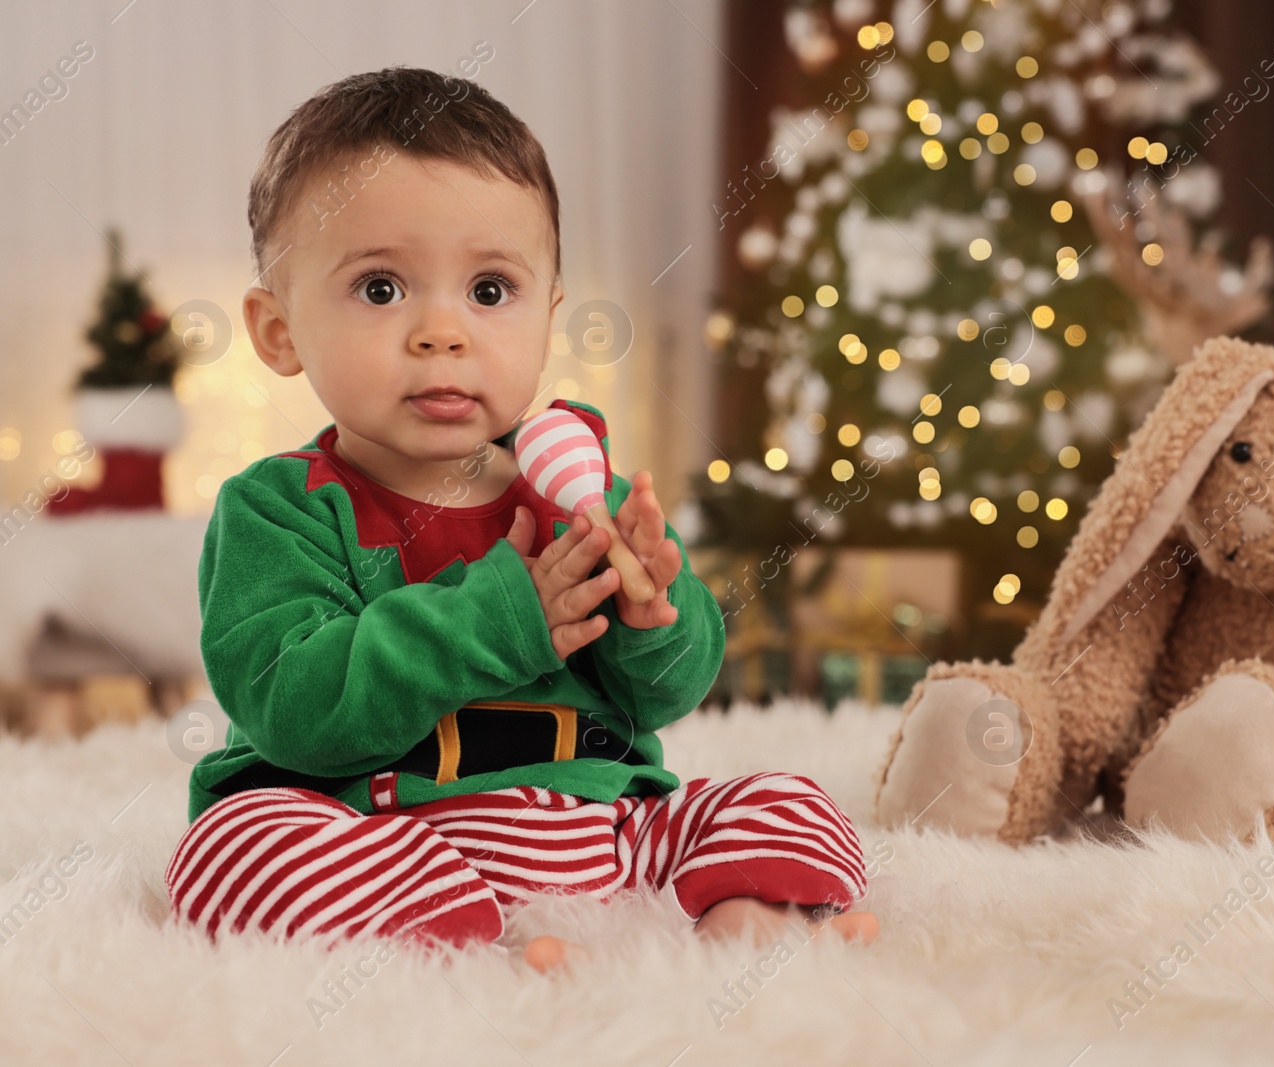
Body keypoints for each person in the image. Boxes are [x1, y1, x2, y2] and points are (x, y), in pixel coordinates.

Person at [164, 66, 877, 972]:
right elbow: (294, 707)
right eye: (380, 289)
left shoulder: (577, 491)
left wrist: (659, 617)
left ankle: (750, 919)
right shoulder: (277, 508)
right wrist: (504, 618)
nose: (441, 331)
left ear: (546, 318)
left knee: (783, 795)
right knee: (232, 847)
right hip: (382, 826)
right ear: (280, 331)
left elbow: (666, 693)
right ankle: (464, 947)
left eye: (490, 291)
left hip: (599, 825)